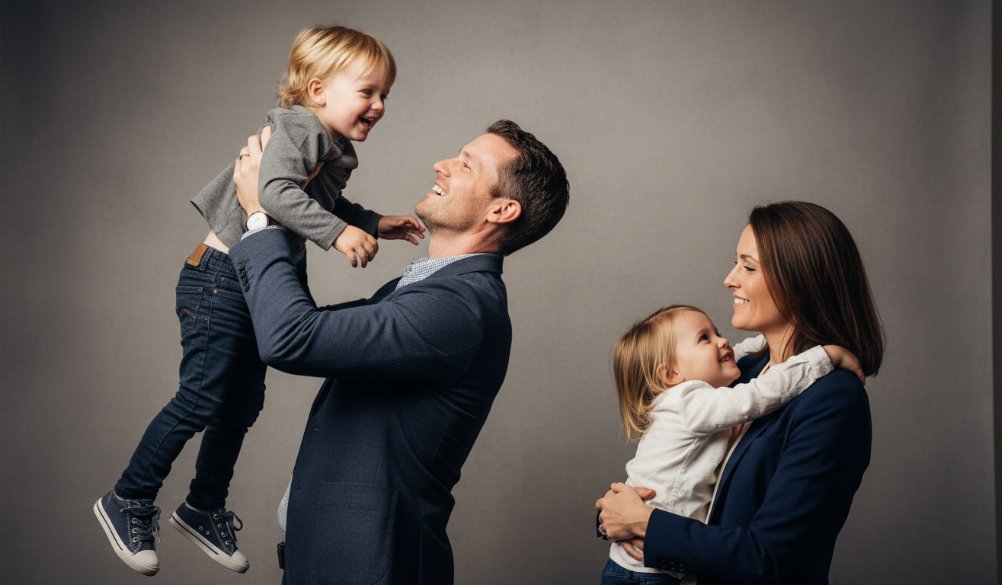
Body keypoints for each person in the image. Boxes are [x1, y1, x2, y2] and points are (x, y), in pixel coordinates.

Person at [93, 25, 423, 576]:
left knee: (242, 404)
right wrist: (339, 235)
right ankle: (127, 497)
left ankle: (203, 504)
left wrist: (371, 222)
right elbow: (271, 194)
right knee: (202, 397)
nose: (379, 105)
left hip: (246, 283)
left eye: (385, 94)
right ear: (318, 91)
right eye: (368, 91)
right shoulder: (299, 127)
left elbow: (317, 197)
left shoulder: (327, 141)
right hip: (219, 278)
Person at [228, 119, 569, 585]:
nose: (442, 165)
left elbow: (291, 336)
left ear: (502, 210)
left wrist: (261, 214)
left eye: (465, 165)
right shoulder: (420, 289)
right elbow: (288, 318)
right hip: (332, 562)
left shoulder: (457, 308)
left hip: (372, 568)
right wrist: (292, 209)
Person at [596, 201, 884, 585]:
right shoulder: (739, 372)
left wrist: (647, 524)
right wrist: (616, 514)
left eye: (748, 267)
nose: (730, 279)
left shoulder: (833, 401)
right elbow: (674, 466)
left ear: (798, 281)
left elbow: (770, 559)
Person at [601, 305, 863, 585]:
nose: (723, 341)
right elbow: (758, 395)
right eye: (705, 338)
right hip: (646, 574)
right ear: (671, 374)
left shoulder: (828, 397)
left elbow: (772, 554)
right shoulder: (692, 401)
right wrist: (821, 357)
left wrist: (640, 521)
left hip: (653, 562)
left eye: (717, 333)